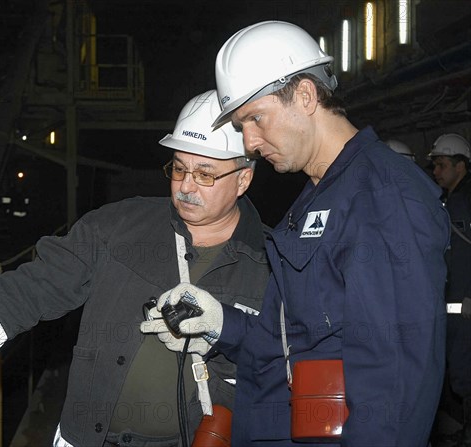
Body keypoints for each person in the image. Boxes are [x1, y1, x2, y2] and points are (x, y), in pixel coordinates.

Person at [0, 90, 271, 447]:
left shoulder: (273, 263)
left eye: (204, 174)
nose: (185, 186)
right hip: (87, 438)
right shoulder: (117, 227)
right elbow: (34, 287)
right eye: (179, 168)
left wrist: (221, 339)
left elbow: (283, 363)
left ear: (243, 180)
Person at [143, 21, 450, 446]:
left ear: (305, 95)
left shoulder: (381, 198)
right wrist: (218, 325)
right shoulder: (315, 197)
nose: (249, 142)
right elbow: (293, 339)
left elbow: (394, 388)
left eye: (255, 118)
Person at [428, 133, 471, 446]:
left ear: (461, 165)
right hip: (454, 313)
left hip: (466, 312)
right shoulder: (448, 203)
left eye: (442, 165)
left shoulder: (464, 203)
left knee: (464, 375)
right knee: (459, 377)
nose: (436, 172)